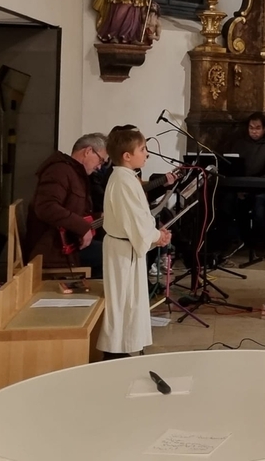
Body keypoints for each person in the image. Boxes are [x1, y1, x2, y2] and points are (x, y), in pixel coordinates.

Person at [97, 127, 171, 358]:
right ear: (127, 156)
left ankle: (123, 347)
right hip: (122, 250)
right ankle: (114, 352)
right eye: (142, 149)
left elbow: (140, 216)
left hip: (126, 247)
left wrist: (155, 234)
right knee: (123, 301)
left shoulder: (126, 177)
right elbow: (135, 220)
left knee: (129, 301)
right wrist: (157, 236)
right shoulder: (123, 181)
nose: (146, 153)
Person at [24, 133, 108, 276]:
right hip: (54, 249)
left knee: (110, 251)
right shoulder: (59, 171)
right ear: (88, 151)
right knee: (112, 256)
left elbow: (74, 212)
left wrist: (99, 216)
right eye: (101, 160)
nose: (99, 167)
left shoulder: (74, 173)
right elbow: (46, 207)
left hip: (67, 243)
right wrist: (82, 227)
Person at [233, 112, 265, 256]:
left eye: (258, 128)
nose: (254, 131)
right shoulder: (239, 144)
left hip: (262, 189)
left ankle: (260, 244)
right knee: (228, 203)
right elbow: (234, 168)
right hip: (242, 188)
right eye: (251, 128)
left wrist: (252, 187)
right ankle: (239, 241)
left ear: (264, 129)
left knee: (259, 208)